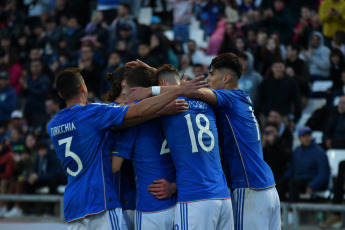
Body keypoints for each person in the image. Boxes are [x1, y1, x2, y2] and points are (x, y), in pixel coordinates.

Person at [126, 53, 280, 229]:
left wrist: (151, 89)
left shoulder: (227, 98)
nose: (208, 79)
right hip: (265, 187)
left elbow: (191, 90)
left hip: (247, 187)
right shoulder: (242, 99)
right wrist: (156, 74)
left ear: (226, 78)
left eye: (212, 74)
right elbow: (187, 88)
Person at [47, 67, 204, 229]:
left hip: (73, 205)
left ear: (60, 94)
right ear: (83, 87)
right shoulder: (94, 113)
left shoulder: (52, 125)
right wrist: (177, 92)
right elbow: (136, 111)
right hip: (99, 199)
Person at [155, 64, 233, 230]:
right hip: (223, 197)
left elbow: (132, 108)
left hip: (195, 198)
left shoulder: (167, 104)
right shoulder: (207, 101)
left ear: (161, 84)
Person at [112, 66, 181, 230]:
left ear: (127, 86)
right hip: (177, 200)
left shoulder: (131, 119)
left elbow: (114, 166)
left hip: (150, 207)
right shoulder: (175, 110)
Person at [277, 126, 330, 202]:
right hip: (297, 179)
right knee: (281, 182)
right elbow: (291, 169)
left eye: (308, 135)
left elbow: (323, 174)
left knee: (293, 183)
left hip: (311, 179)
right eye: (304, 136)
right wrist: (283, 178)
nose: (306, 138)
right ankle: (280, 210)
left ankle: (293, 211)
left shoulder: (319, 152)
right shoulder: (297, 151)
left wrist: (312, 185)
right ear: (299, 138)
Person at [255, 59, 302, 129]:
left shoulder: (292, 82)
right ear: (272, 68)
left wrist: (294, 120)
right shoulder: (266, 82)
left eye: (281, 67)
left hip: (284, 116)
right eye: (276, 67)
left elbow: (297, 102)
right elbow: (259, 101)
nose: (278, 69)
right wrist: (257, 117)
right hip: (267, 116)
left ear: (284, 68)